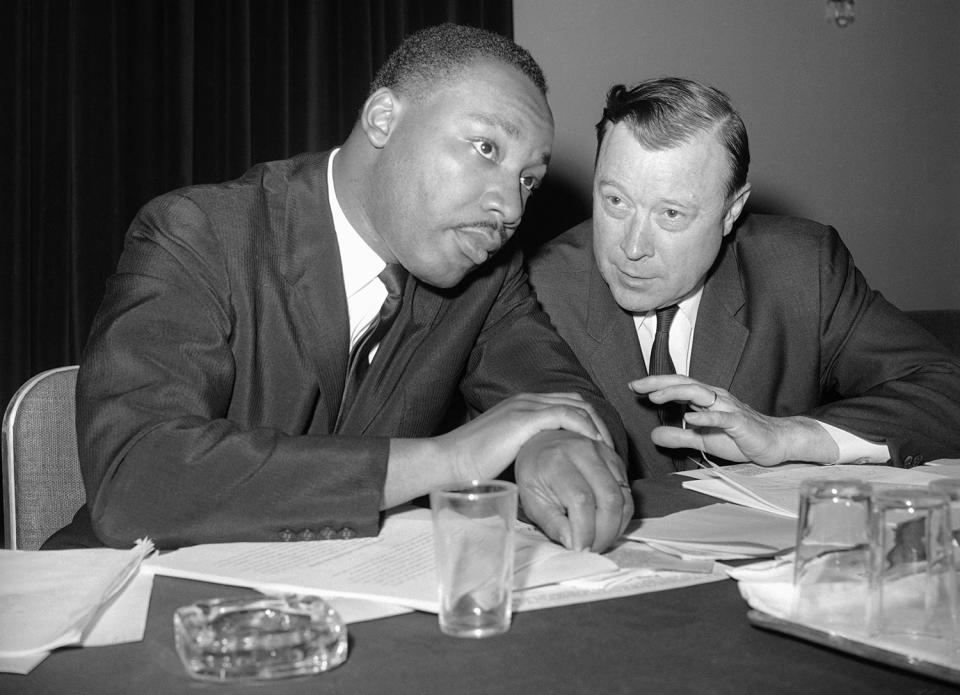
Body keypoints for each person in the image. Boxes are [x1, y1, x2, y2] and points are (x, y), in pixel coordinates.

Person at [53, 24, 632, 552]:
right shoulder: (199, 233)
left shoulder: (487, 276)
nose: (509, 208)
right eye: (486, 149)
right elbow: (138, 480)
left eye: (528, 180)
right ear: (383, 118)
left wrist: (549, 443)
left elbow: (570, 401)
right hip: (130, 605)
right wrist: (446, 459)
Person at [527, 77, 960, 479]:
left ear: (731, 211)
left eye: (671, 214)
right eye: (616, 201)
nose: (634, 246)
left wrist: (787, 436)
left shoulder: (801, 269)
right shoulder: (535, 290)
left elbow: (945, 390)